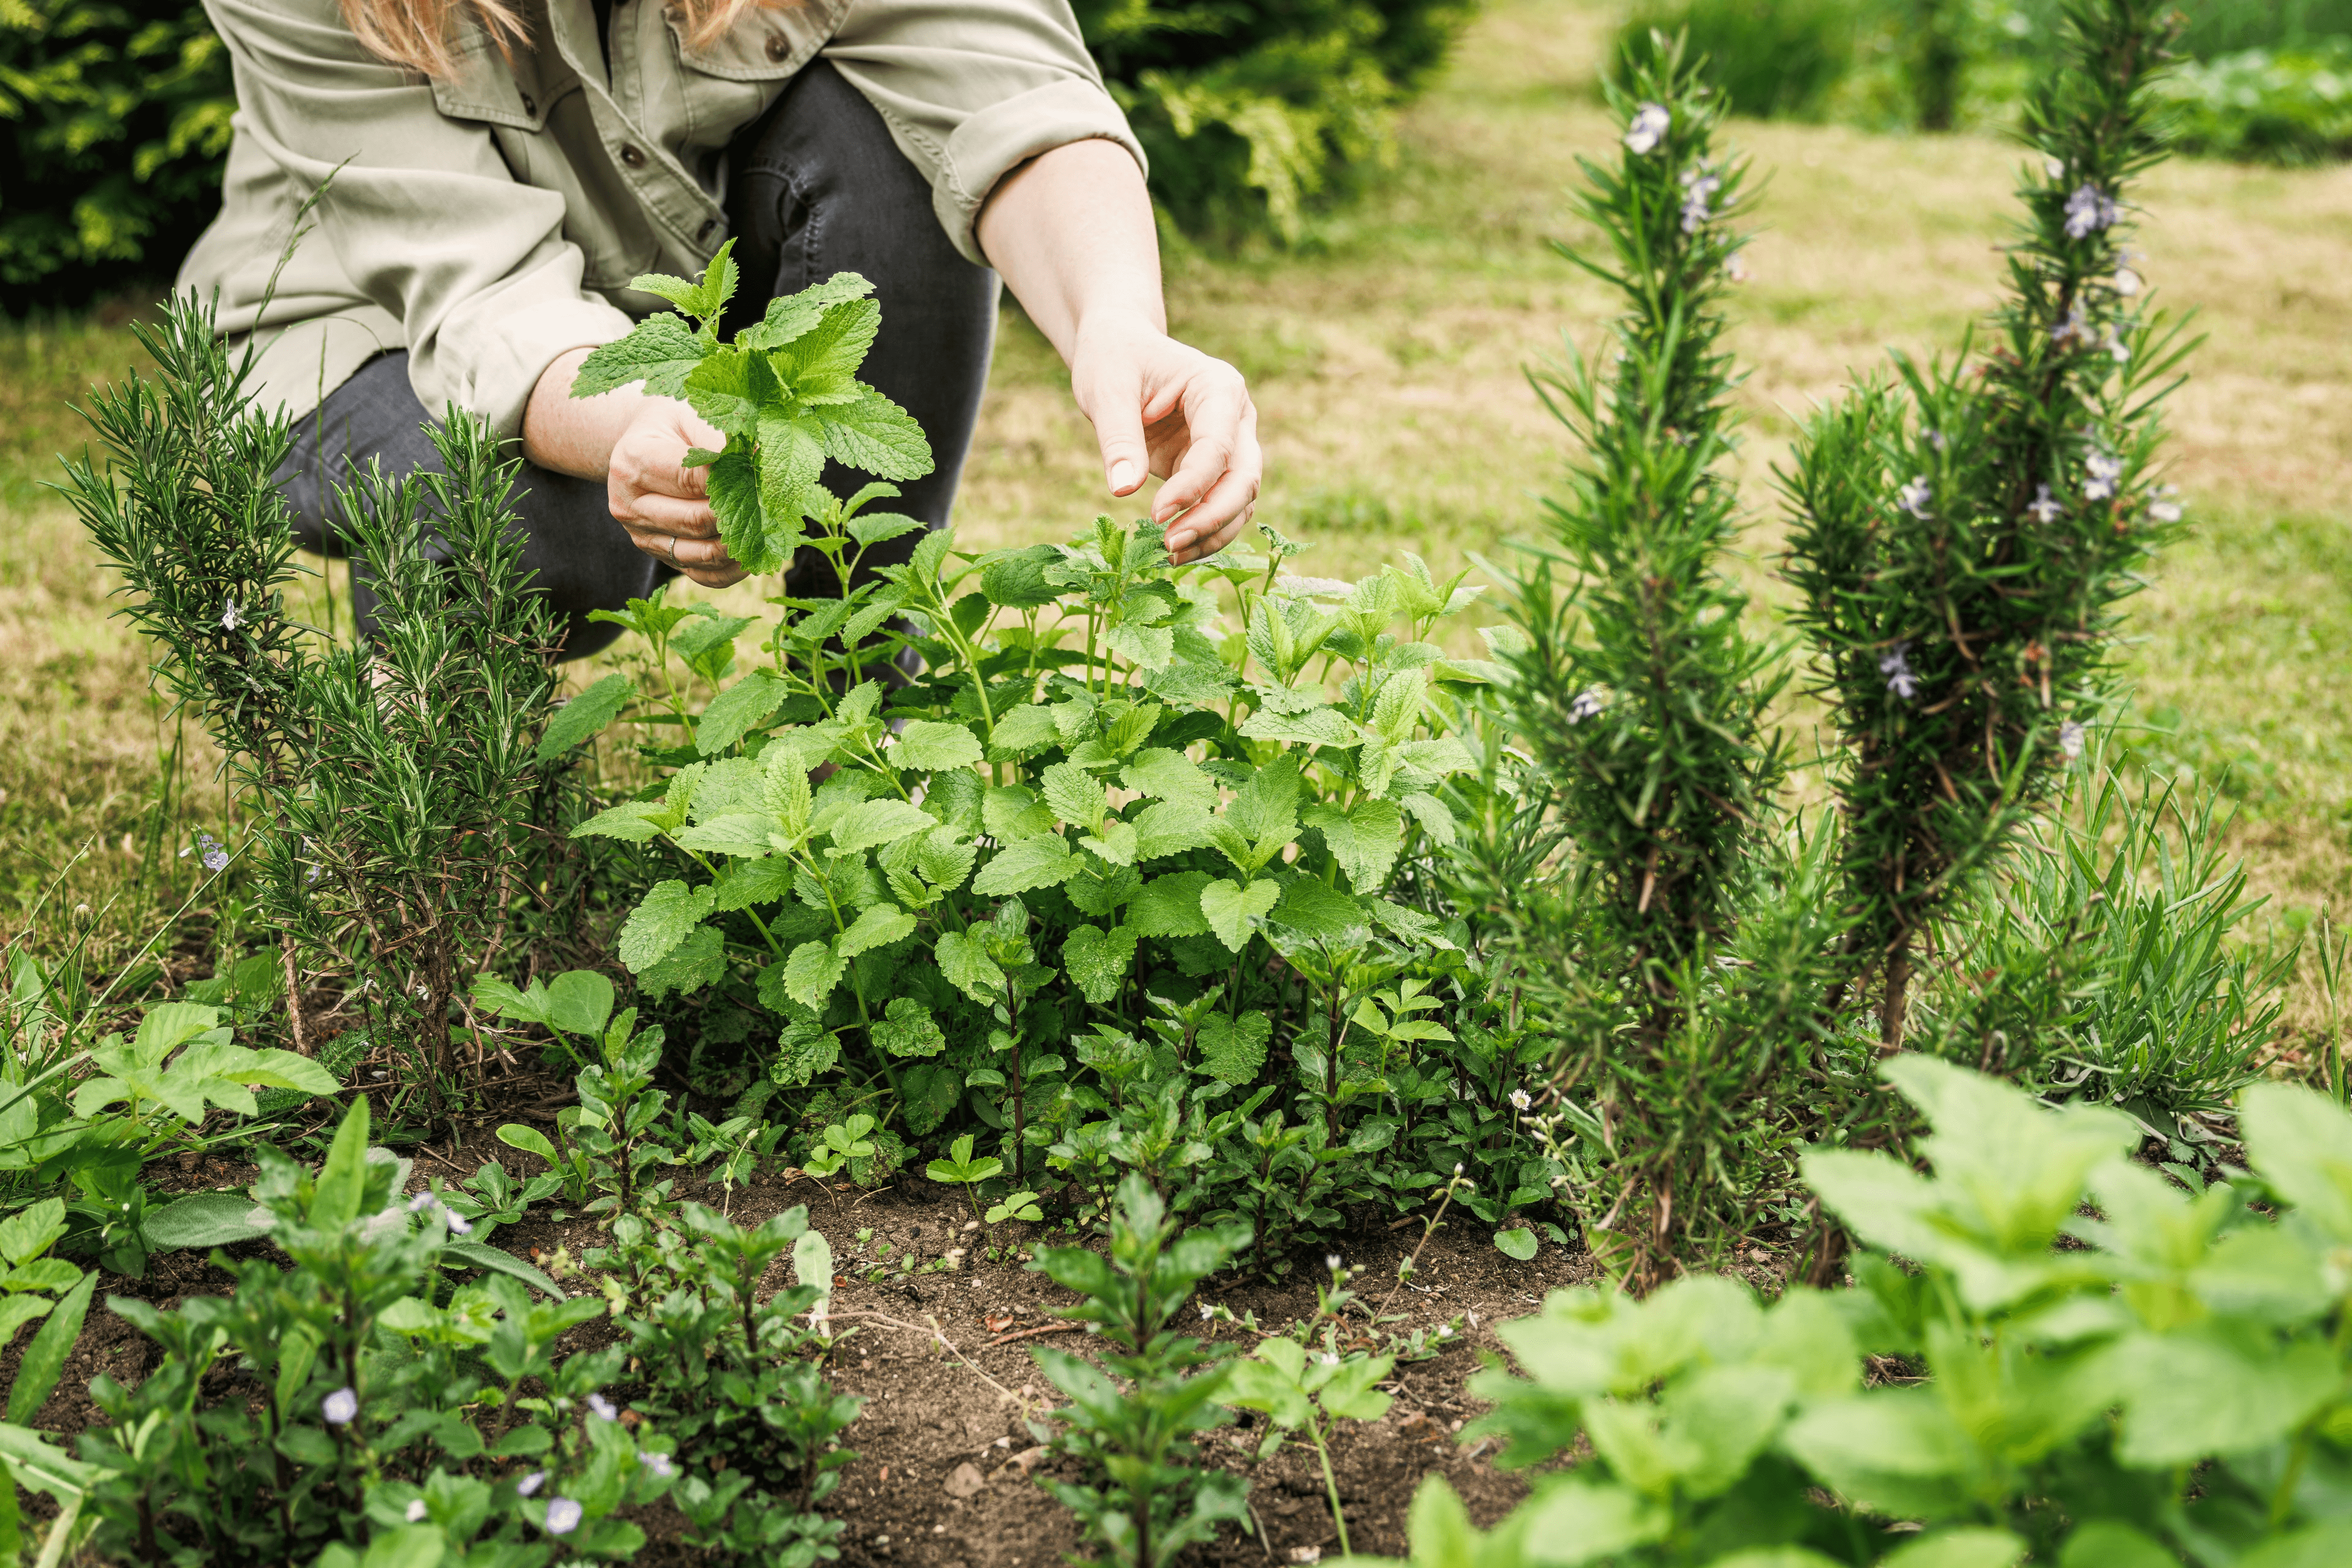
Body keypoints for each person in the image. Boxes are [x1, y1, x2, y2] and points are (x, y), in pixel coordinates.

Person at [181, 0, 1262, 657]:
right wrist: (648, 426)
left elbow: (1006, 87)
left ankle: (863, 703)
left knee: (897, 147)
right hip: (348, 328)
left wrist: (1118, 316)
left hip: (652, 295)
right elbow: (480, 297)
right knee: (531, 527)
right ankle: (430, 774)